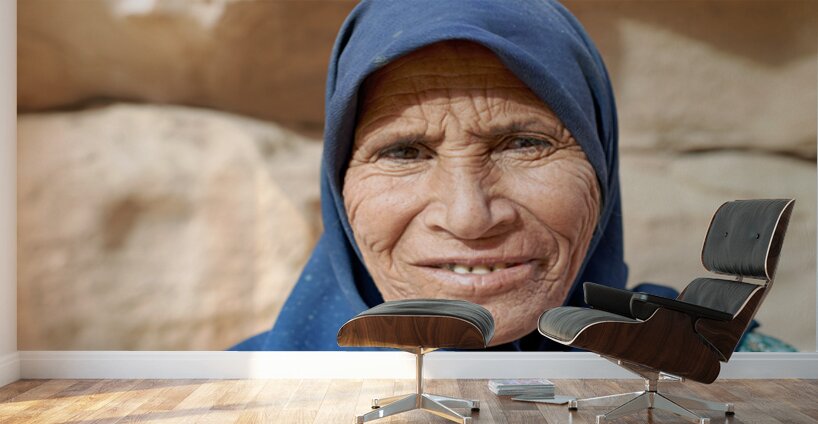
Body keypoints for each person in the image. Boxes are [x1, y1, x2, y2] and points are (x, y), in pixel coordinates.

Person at [232, 0, 786, 352]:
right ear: (339, 185)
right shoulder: (226, 401)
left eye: (524, 144)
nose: (469, 218)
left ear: (601, 166)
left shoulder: (751, 380)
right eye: (403, 152)